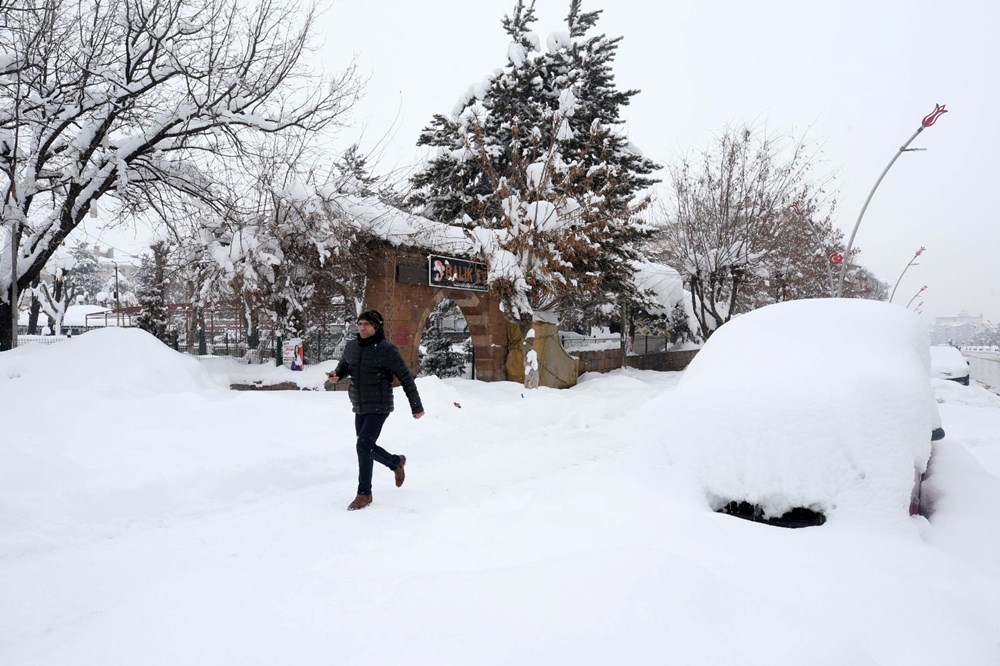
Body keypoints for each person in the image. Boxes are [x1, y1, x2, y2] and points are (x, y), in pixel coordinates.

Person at [327, 309, 424, 511]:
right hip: (359, 404)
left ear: (376, 327)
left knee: (363, 446)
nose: (362, 328)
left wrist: (416, 406)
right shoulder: (352, 347)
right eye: (360, 324)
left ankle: (364, 493)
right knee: (366, 448)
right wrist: (337, 375)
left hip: (379, 404)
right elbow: (344, 367)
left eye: (367, 325)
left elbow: (405, 377)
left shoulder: (386, 349)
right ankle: (396, 462)